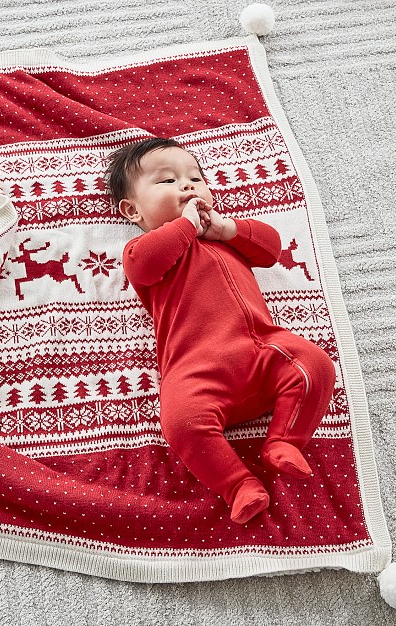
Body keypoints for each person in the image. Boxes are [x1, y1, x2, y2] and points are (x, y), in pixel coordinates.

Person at [107, 138, 336, 524]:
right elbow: (145, 266)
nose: (188, 186)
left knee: (316, 365)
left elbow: (270, 249)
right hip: (195, 370)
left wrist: (228, 230)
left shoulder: (225, 237)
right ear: (132, 210)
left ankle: (282, 440)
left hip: (262, 348)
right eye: (167, 181)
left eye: (195, 177)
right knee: (180, 423)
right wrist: (184, 226)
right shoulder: (144, 248)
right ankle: (238, 485)